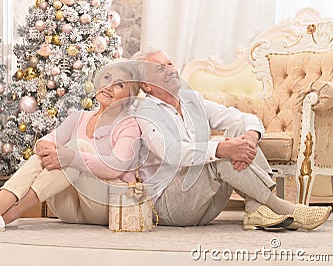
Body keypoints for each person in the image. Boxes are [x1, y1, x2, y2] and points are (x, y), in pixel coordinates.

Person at [132, 49, 332, 230]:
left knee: (238, 132)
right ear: (146, 85)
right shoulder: (147, 111)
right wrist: (222, 149)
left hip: (205, 205)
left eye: (169, 63)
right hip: (169, 207)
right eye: (160, 68)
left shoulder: (191, 99)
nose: (170, 70)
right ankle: (284, 207)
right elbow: (172, 152)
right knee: (219, 153)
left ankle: (256, 210)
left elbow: (242, 118)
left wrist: (250, 140)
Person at [0, 60, 141, 233]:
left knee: (76, 148)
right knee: (50, 152)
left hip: (105, 207)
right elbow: (47, 141)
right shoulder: (79, 117)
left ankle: (8, 212)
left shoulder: (128, 125)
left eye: (119, 85)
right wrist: (44, 146)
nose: (109, 86)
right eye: (107, 78)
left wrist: (71, 156)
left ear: (129, 97)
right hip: (70, 210)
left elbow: (116, 166)